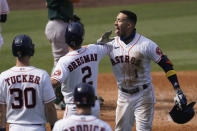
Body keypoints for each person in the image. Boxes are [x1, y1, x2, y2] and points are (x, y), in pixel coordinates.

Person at [104, 10, 188, 131]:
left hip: (143, 96)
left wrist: (177, 89)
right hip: (123, 96)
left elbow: (166, 65)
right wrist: (97, 44)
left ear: (129, 25)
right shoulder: (110, 44)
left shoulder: (146, 45)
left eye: (119, 20)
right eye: (116, 19)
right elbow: (86, 53)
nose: (115, 23)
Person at [50, 22, 111, 118]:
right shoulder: (94, 50)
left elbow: (54, 82)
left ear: (66, 38)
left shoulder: (64, 61)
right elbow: (109, 47)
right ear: (82, 38)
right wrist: (99, 43)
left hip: (74, 109)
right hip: (93, 107)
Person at [0, 34, 57, 131]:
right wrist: (54, 127)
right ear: (31, 50)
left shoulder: (3, 77)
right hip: (37, 128)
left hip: (15, 128)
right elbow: (50, 108)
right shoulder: (42, 75)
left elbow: (1, 110)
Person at [45, 0, 81, 110]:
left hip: (58, 25)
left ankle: (59, 97)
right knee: (61, 60)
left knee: (62, 60)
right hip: (58, 26)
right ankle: (55, 98)